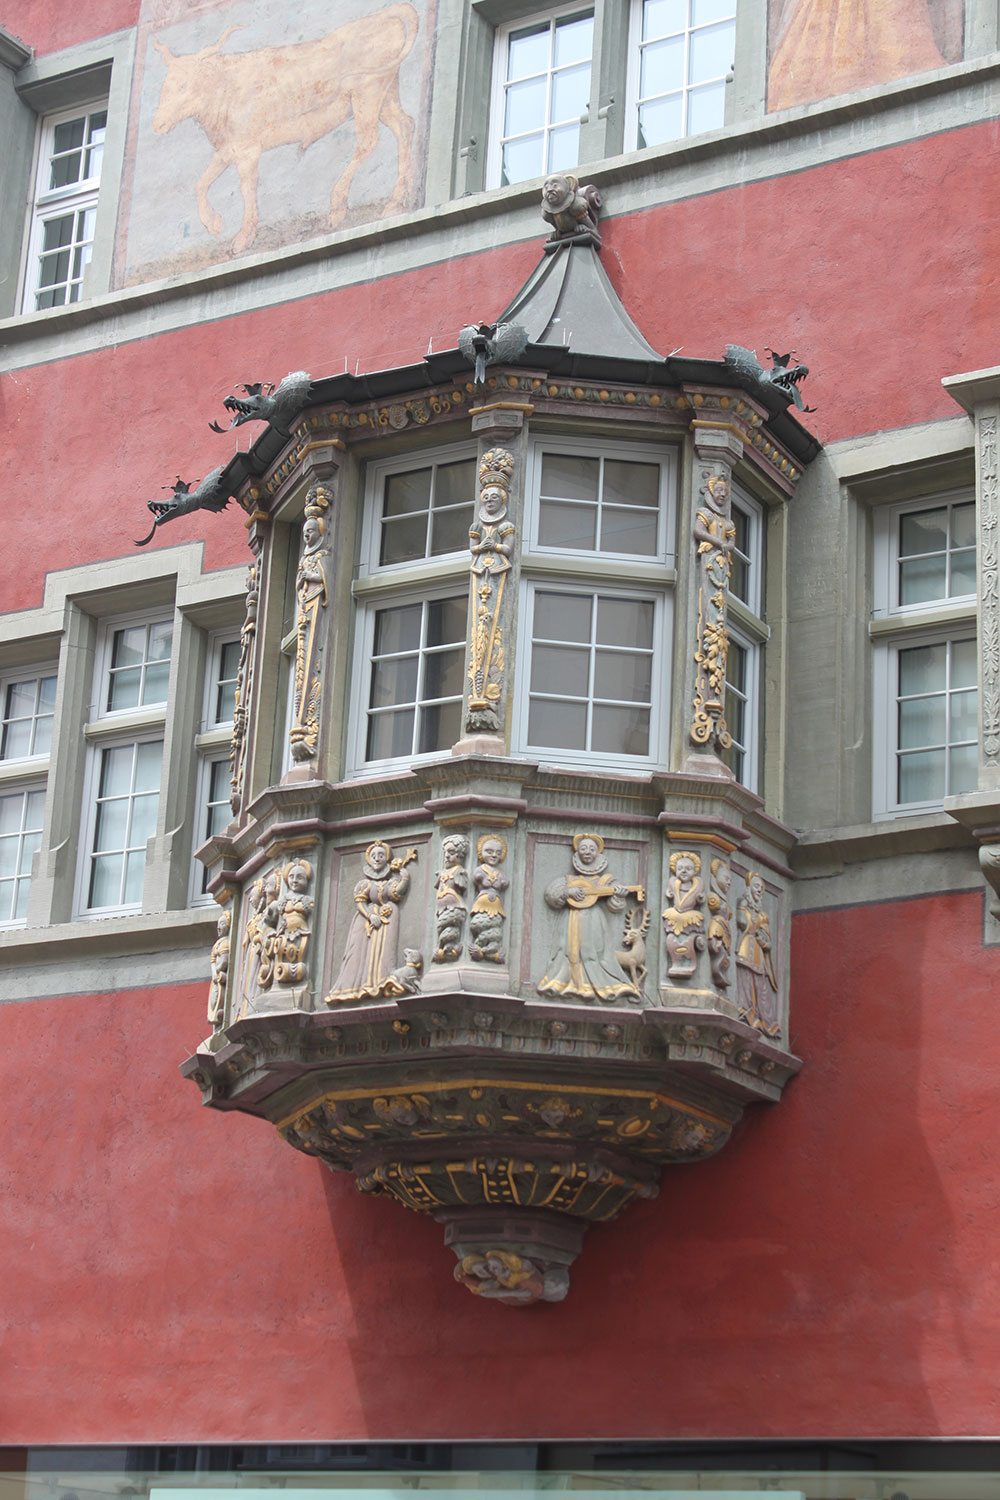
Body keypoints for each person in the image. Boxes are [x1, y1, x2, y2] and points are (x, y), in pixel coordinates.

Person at [537, 833, 641, 1001]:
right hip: (571, 919)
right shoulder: (569, 879)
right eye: (583, 848)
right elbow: (551, 895)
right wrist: (567, 892)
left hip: (594, 921)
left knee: (595, 951)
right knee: (568, 949)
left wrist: (619, 896)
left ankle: (596, 983)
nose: (587, 852)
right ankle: (566, 981)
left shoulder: (606, 881)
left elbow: (615, 907)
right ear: (577, 852)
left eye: (592, 849)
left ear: (598, 854)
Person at [327, 841, 416, 1002]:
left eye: (381, 855)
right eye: (373, 856)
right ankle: (357, 985)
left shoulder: (389, 882)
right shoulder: (365, 884)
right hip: (365, 922)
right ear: (368, 859)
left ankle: (380, 981)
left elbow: (396, 893)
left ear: (386, 858)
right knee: (359, 952)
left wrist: (405, 876)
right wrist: (370, 915)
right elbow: (360, 902)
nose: (377, 859)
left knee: (385, 950)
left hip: (387, 919)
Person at [735, 870, 781, 1037]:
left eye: (760, 887)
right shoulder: (744, 906)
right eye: (755, 886)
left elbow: (767, 938)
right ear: (748, 888)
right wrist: (742, 906)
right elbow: (740, 922)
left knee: (760, 985)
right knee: (745, 980)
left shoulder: (763, 915)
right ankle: (746, 1011)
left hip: (758, 951)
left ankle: (763, 1020)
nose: (759, 890)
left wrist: (766, 942)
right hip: (746, 947)